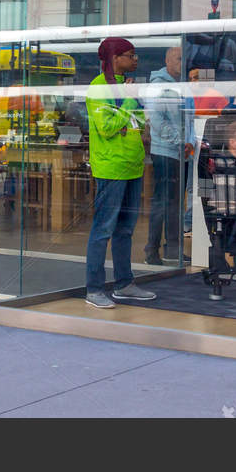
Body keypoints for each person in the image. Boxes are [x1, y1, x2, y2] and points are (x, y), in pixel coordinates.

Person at [83, 37, 155, 309]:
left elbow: (135, 122)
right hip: (111, 167)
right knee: (103, 229)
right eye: (130, 55)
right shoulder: (97, 89)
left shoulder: (126, 87)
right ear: (115, 59)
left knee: (125, 230)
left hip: (133, 165)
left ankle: (124, 284)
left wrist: (131, 105)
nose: (135, 60)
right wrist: (128, 101)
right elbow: (108, 128)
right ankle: (94, 289)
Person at [142, 46, 186, 265]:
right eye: (178, 59)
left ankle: (173, 248)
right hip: (166, 152)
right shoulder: (158, 86)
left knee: (175, 203)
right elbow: (157, 121)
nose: (182, 62)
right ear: (168, 61)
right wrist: (180, 141)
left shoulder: (181, 85)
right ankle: (152, 250)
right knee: (162, 202)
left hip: (180, 152)